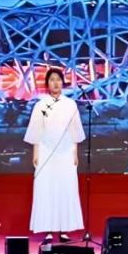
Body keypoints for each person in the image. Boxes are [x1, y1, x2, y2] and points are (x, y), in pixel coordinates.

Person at [24, 68, 85, 244]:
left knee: (65, 189)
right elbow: (36, 131)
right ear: (47, 84)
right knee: (47, 190)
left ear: (62, 83)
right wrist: (36, 153)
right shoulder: (41, 105)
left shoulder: (70, 105)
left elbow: (75, 131)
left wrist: (75, 153)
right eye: (52, 80)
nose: (55, 83)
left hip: (66, 152)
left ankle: (64, 230)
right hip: (45, 151)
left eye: (58, 80)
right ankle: (49, 231)